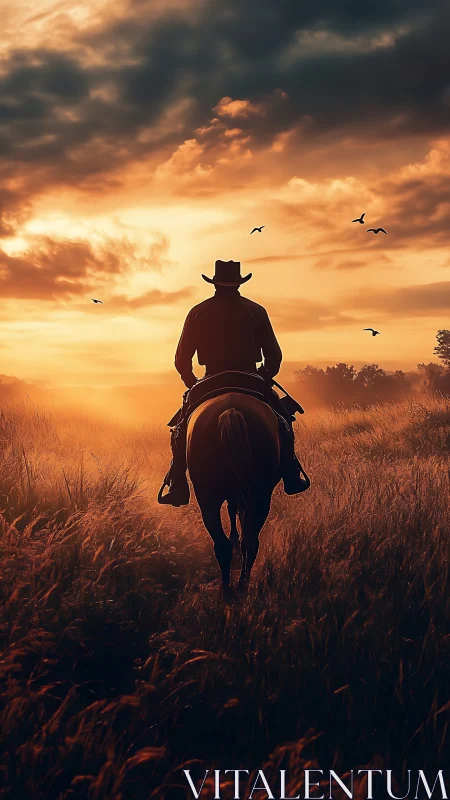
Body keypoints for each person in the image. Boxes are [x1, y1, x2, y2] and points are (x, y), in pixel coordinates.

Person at [158, 260, 310, 506]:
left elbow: (181, 358)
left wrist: (192, 382)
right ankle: (291, 472)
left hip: (210, 378)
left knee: (180, 428)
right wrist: (264, 376)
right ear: (239, 283)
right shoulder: (256, 311)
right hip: (251, 377)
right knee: (282, 421)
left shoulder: (198, 311)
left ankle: (177, 481)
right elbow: (274, 356)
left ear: (215, 283)